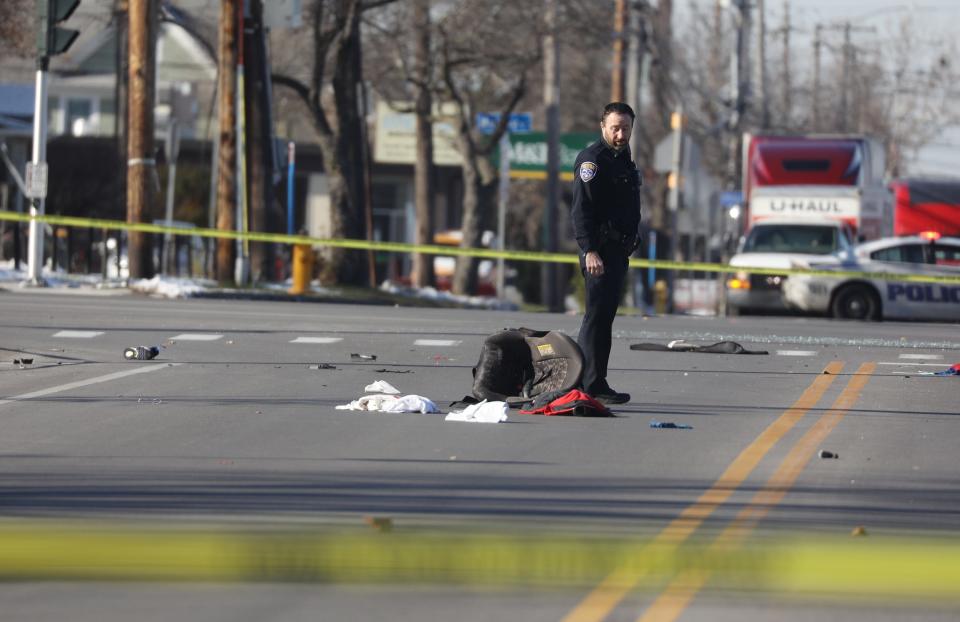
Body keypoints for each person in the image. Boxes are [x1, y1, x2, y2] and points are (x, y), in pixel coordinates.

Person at [570, 102, 642, 405]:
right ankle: (587, 384)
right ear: (603, 127)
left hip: (617, 251)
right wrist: (590, 251)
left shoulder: (623, 159)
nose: (621, 133)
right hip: (598, 253)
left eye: (625, 128)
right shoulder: (592, 161)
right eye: (615, 127)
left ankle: (597, 381)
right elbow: (581, 211)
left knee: (605, 318)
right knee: (595, 318)